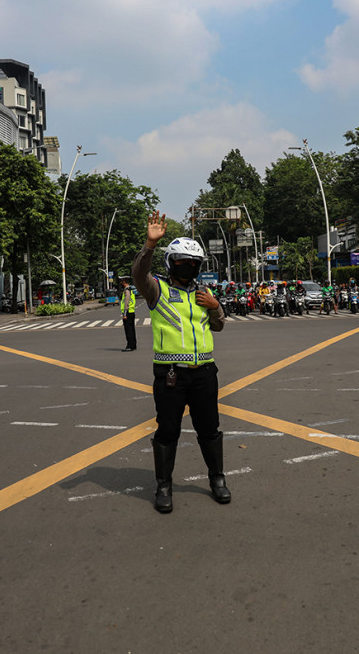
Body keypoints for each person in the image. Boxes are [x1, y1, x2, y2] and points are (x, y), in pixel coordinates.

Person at [133, 210, 229, 514]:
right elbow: (138, 275)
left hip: (205, 374)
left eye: (193, 263)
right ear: (170, 263)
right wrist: (150, 244)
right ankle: (163, 486)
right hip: (170, 376)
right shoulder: (157, 289)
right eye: (181, 262)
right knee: (167, 430)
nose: (187, 266)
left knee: (209, 428)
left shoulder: (204, 293)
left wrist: (215, 305)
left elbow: (218, 326)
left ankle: (217, 479)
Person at [119, 275, 137, 352]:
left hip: (128, 312)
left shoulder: (127, 290)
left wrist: (124, 314)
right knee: (132, 329)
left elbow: (126, 302)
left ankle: (130, 346)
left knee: (128, 330)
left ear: (124, 282)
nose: (121, 283)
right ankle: (133, 345)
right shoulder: (131, 289)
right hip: (131, 311)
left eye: (121, 281)